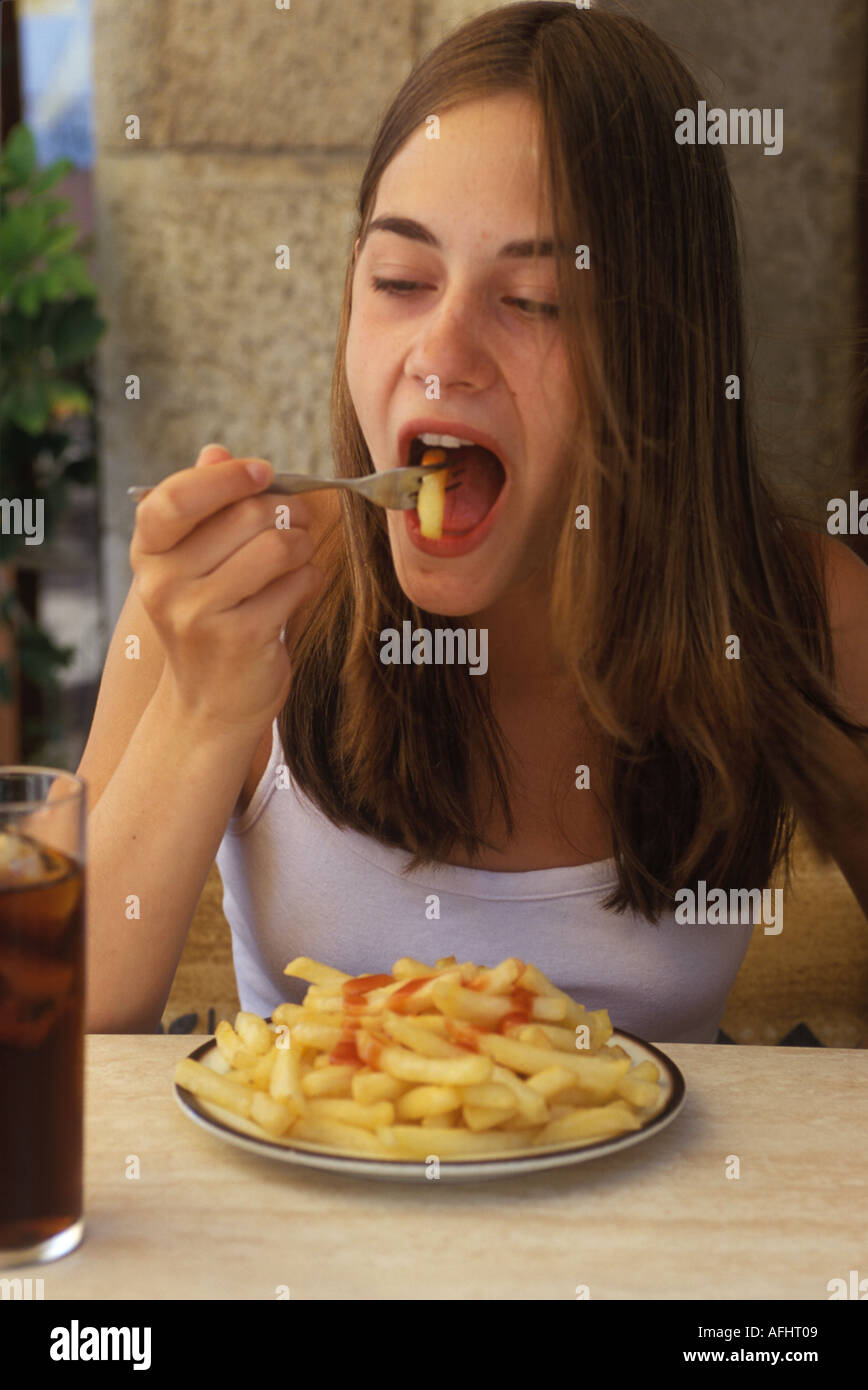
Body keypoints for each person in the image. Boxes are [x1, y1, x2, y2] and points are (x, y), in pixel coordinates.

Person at [79, 3, 868, 1040]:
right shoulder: (227, 598)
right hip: (299, 1196)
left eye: (533, 300)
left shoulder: (800, 609)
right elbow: (49, 1032)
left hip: (661, 1206)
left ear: (661, 354)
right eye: (400, 280)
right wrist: (200, 708)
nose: (440, 352)